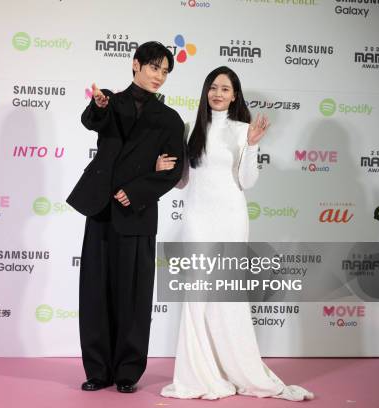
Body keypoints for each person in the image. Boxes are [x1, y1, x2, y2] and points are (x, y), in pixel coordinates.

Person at [156, 66, 314, 401]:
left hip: (231, 217)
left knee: (227, 296)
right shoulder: (190, 129)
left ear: (235, 95)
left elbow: (247, 182)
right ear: (205, 91)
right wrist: (165, 167)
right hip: (198, 217)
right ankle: (198, 374)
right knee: (197, 295)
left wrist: (253, 145)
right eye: (213, 87)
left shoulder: (244, 130)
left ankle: (235, 369)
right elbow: (184, 181)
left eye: (225, 89)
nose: (218, 93)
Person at [66, 41, 185, 394]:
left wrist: (135, 191)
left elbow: (172, 171)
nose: (159, 76)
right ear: (135, 65)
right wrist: (98, 103)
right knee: (95, 291)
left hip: (138, 214)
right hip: (101, 210)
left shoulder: (170, 119)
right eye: (153, 67)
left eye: (164, 71)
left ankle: (128, 372)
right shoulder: (111, 103)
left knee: (133, 295)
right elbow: (91, 120)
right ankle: (97, 370)